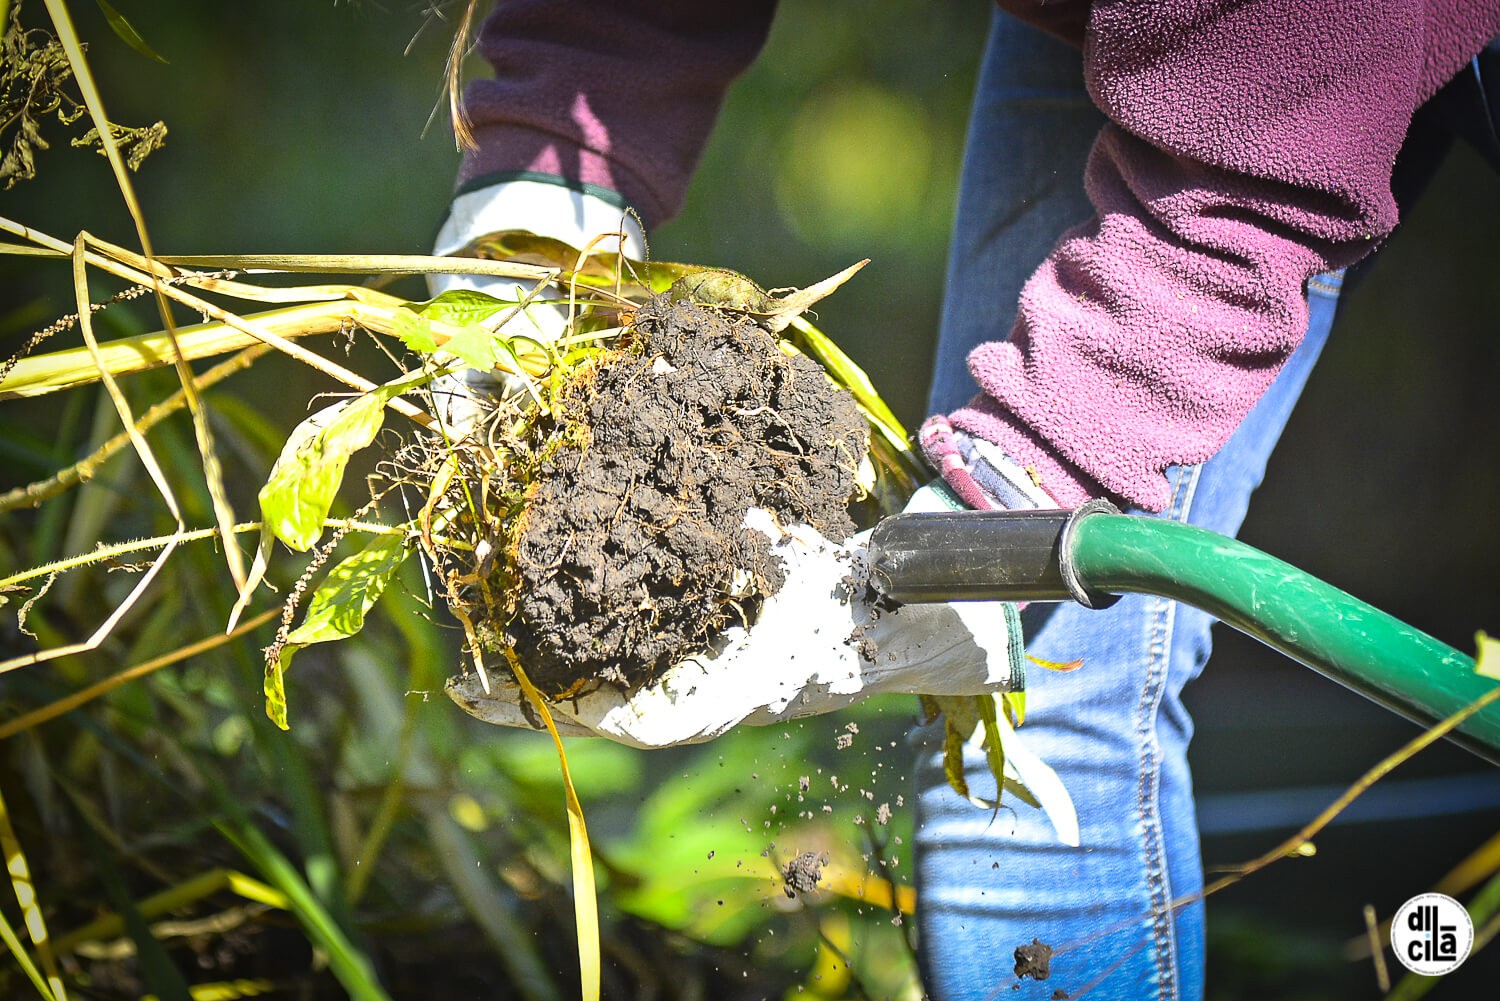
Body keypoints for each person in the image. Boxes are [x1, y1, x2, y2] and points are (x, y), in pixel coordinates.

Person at [434, 2, 1500, 998]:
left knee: (1041, 648)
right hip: (1153, 30)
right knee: (1020, 697)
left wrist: (1022, 483)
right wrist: (540, 196)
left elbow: (1255, 159)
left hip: (1288, 42)